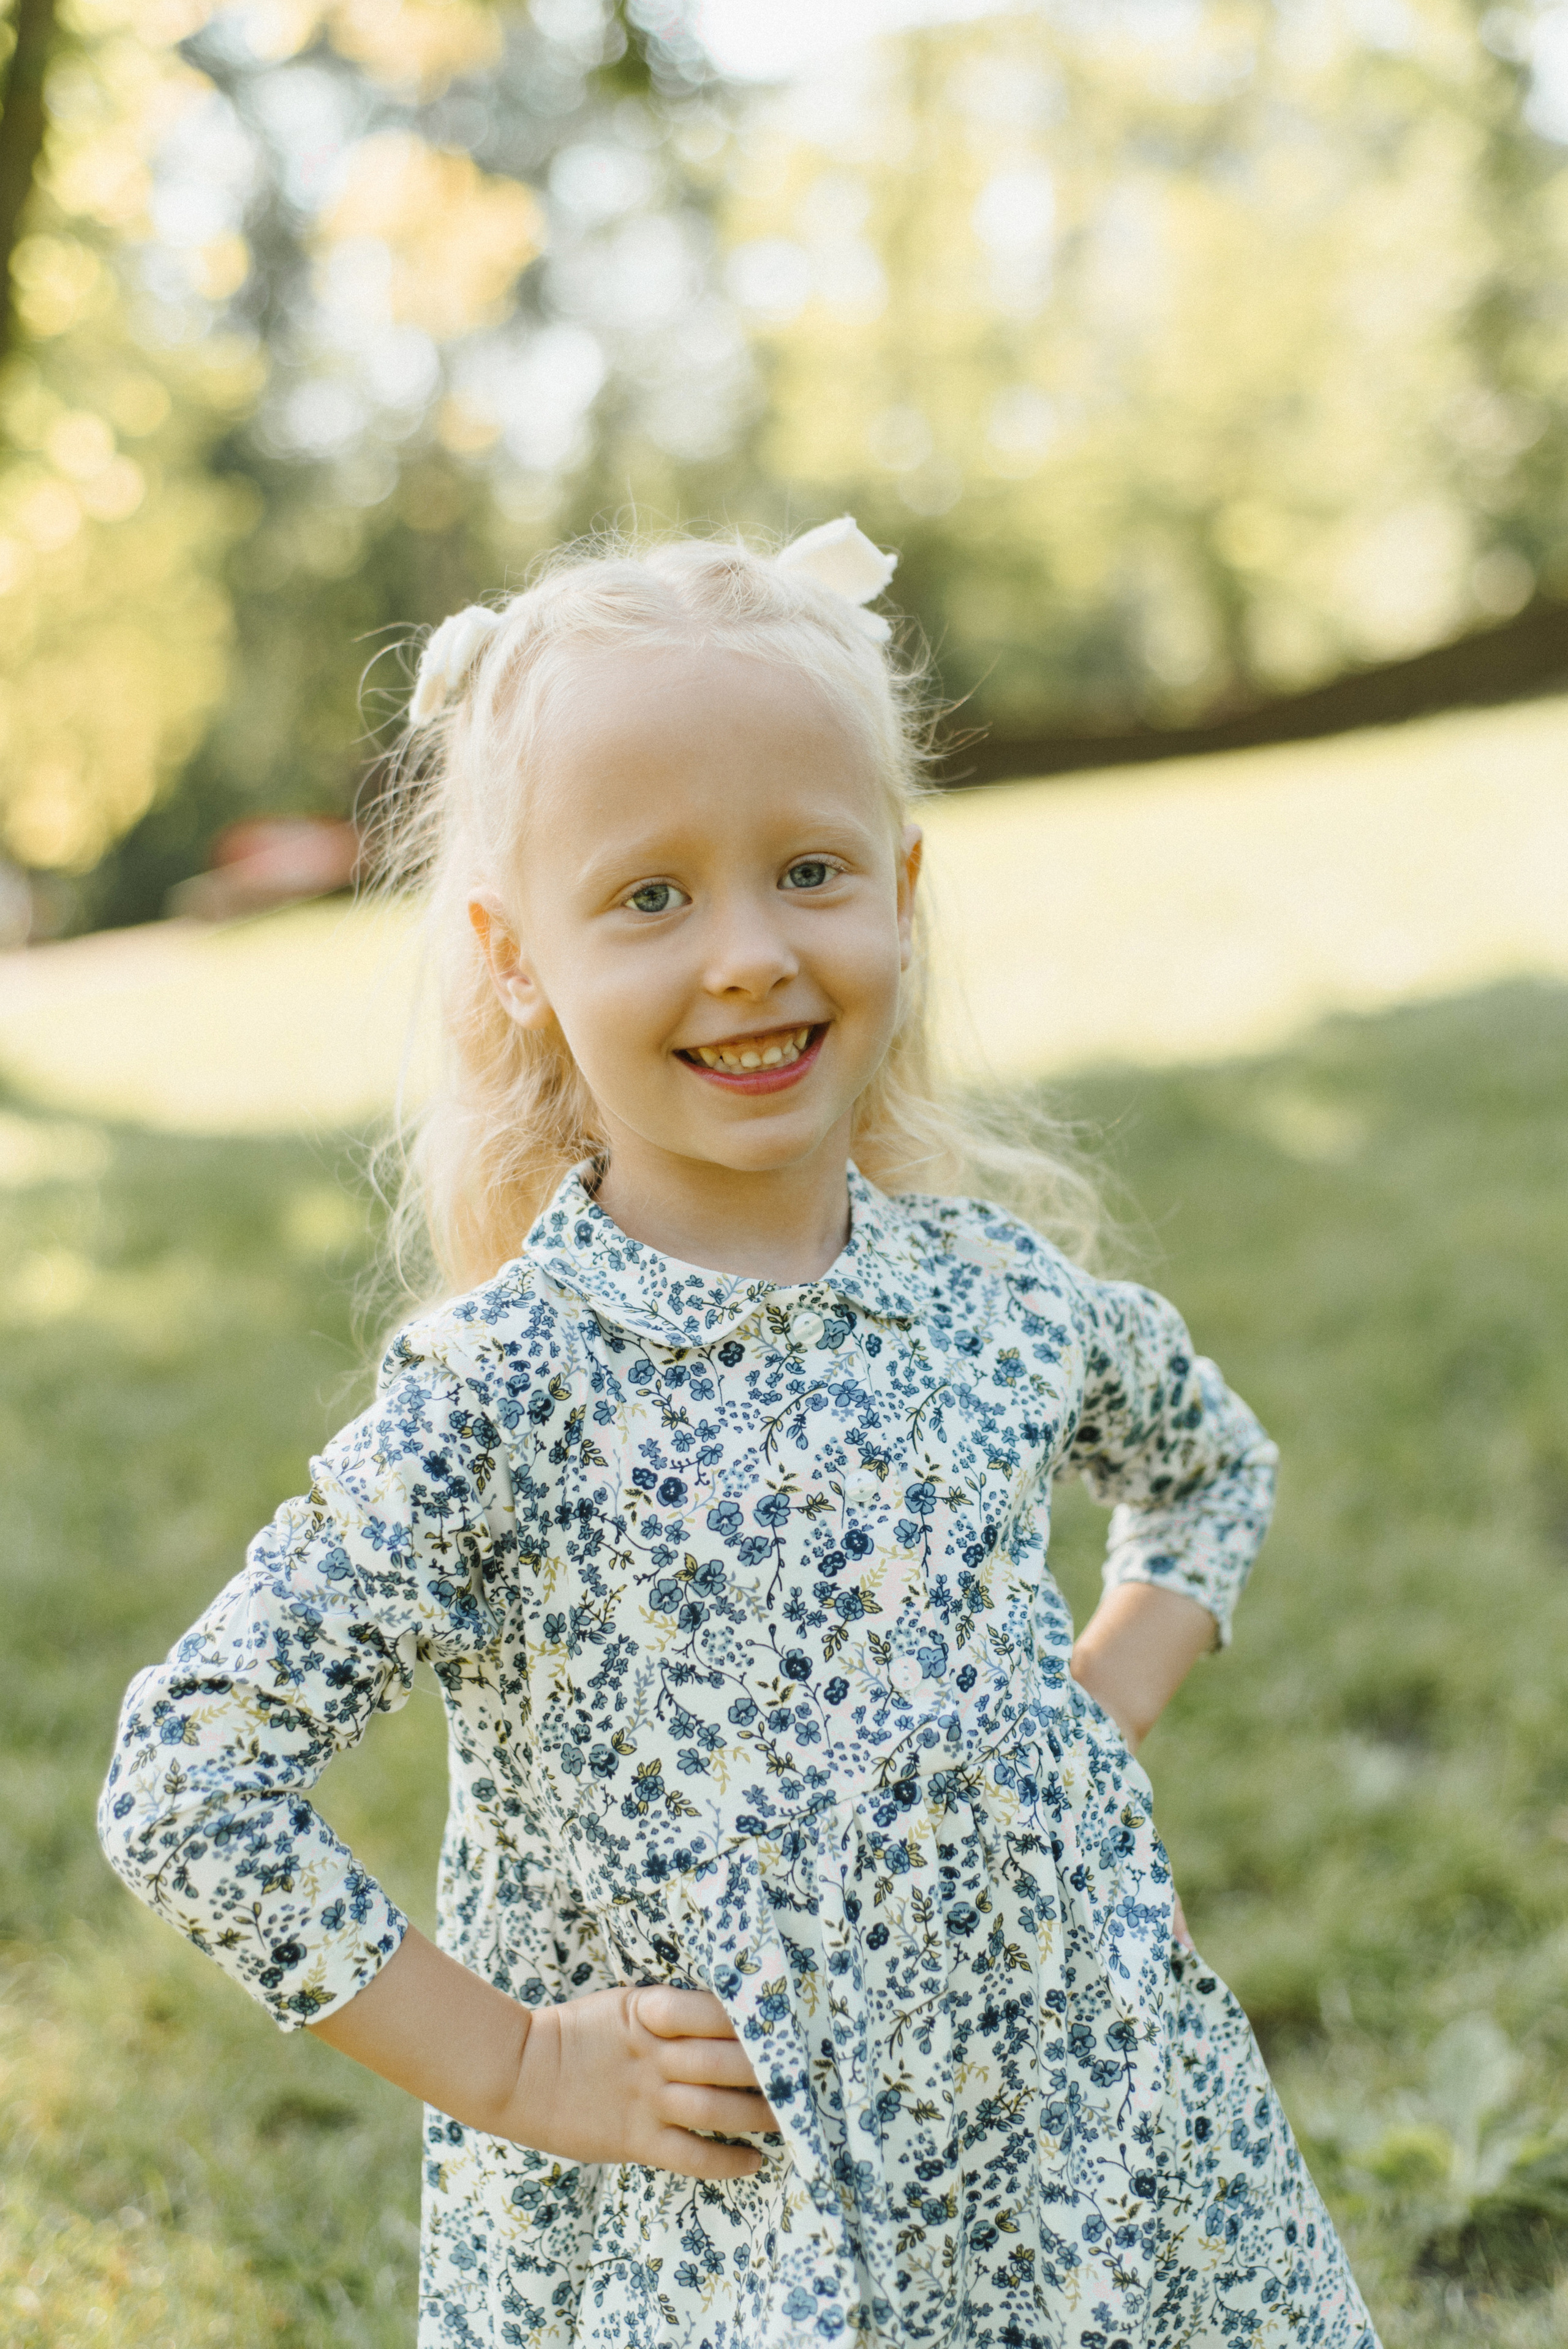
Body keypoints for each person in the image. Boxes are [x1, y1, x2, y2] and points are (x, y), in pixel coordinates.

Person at [99, 520, 1379, 2349]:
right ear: (513, 952)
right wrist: (528, 2064)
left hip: (1084, 2170)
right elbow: (191, 1783)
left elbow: (1205, 1468)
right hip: (732, 2242)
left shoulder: (997, 1299)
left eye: (808, 869)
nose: (751, 954)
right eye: (650, 897)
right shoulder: (507, 1397)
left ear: (903, 886)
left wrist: (1082, 1724)